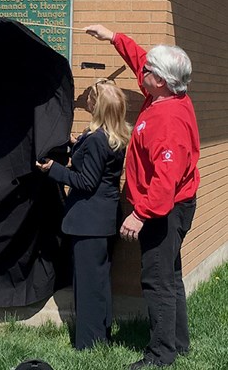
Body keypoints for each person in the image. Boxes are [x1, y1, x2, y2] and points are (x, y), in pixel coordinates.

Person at [85, 24, 200, 369]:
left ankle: (161, 354)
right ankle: (178, 344)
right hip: (168, 207)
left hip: (165, 211)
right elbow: (140, 61)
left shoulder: (169, 121)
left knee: (156, 281)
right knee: (170, 276)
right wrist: (114, 38)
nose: (142, 71)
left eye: (149, 71)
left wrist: (140, 213)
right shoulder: (164, 96)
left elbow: (166, 180)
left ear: (161, 80)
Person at [36, 79, 131, 350]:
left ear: (97, 106)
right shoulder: (113, 135)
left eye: (90, 97)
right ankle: (101, 336)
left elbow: (86, 182)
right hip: (103, 219)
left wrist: (53, 168)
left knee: (88, 286)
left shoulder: (97, 140)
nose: (86, 100)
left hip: (89, 222)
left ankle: (88, 345)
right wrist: (77, 143)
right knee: (99, 282)